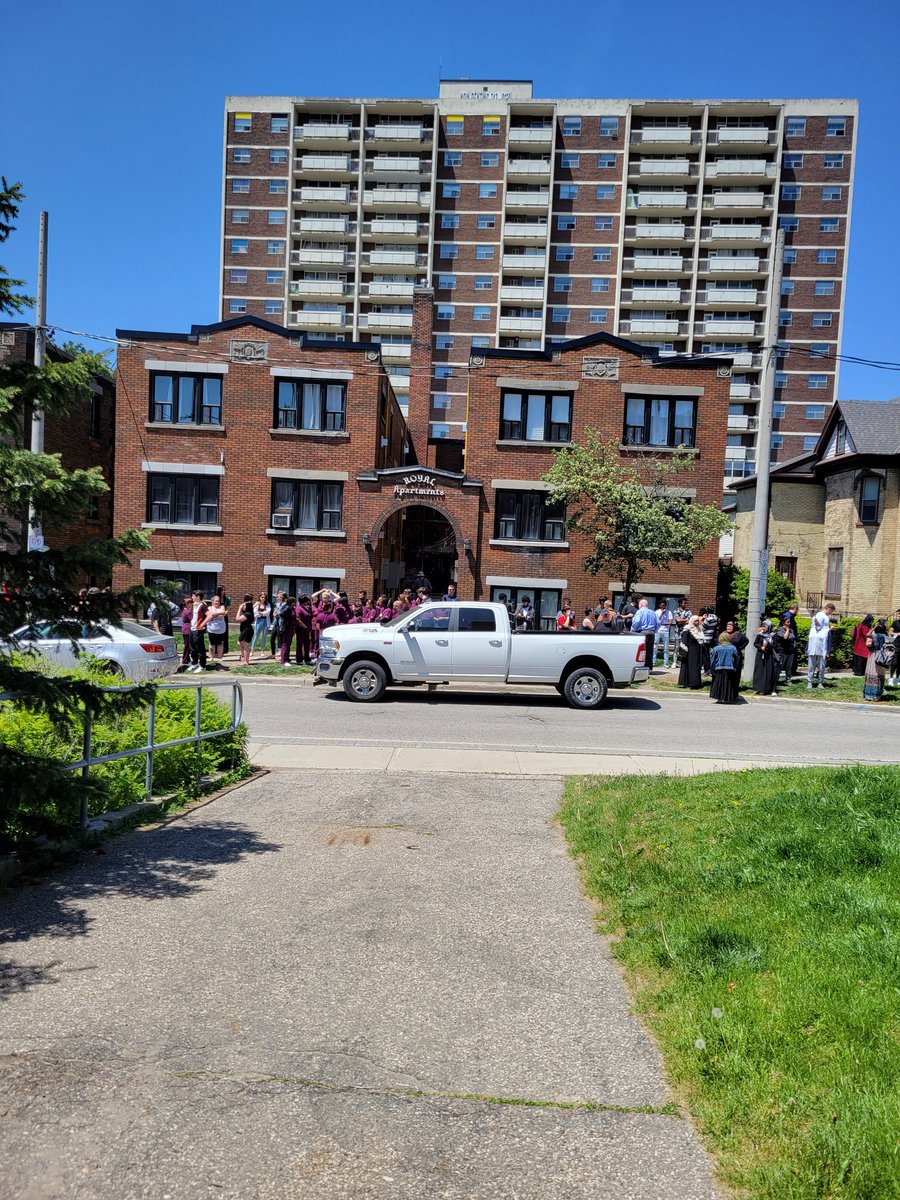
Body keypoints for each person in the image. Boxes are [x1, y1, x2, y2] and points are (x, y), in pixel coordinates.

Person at [806, 603, 835, 689]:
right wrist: (830, 629)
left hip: (822, 644)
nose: (831, 613)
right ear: (829, 609)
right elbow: (817, 627)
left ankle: (820, 682)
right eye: (831, 611)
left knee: (821, 665)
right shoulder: (819, 615)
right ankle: (810, 682)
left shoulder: (825, 617)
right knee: (811, 665)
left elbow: (821, 628)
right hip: (815, 643)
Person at [710, 632, 740, 704]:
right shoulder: (733, 648)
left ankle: (720, 698)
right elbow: (736, 658)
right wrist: (736, 666)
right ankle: (728, 698)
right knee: (728, 683)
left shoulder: (716, 648)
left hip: (719, 668)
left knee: (719, 683)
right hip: (730, 668)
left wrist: (712, 668)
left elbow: (713, 659)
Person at [677, 615, 705, 689]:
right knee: (690, 666)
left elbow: (701, 640)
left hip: (697, 651)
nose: (697, 622)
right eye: (695, 621)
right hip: (690, 652)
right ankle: (690, 683)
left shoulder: (699, 629)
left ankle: (695, 683)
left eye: (697, 621)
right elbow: (684, 641)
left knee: (696, 666)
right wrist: (684, 651)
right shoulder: (687, 629)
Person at [752, 618, 779, 696]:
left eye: (765, 626)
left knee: (768, 672)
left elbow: (775, 645)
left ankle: (768, 689)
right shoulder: (760, 635)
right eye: (763, 626)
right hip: (760, 655)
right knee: (759, 671)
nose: (763, 628)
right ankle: (759, 688)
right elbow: (755, 643)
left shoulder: (772, 636)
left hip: (769, 656)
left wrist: (767, 646)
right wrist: (761, 647)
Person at [863, 622, 889, 702]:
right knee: (880, 674)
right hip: (882, 656)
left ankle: (869, 694)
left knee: (872, 673)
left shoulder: (874, 636)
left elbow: (867, 634)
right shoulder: (886, 637)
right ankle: (877, 695)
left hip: (873, 655)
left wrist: (873, 628)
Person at [630, 597, 659, 666]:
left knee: (641, 651)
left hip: (643, 632)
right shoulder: (652, 612)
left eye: (639, 605)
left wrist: (632, 630)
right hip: (651, 633)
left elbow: (637, 621)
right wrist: (655, 630)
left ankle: (641, 666)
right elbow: (658, 623)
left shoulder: (639, 611)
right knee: (650, 651)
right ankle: (649, 667)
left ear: (641, 605)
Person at [187, 590, 209, 673]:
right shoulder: (194, 605)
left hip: (198, 630)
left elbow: (209, 615)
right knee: (192, 648)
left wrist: (202, 624)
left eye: (193, 596)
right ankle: (194, 663)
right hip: (192, 629)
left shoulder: (202, 606)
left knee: (200, 648)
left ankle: (202, 666)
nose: (192, 597)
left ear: (198, 596)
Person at [772, 615, 796, 686]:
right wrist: (787, 630)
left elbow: (792, 638)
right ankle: (776, 680)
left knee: (789, 666)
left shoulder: (792, 630)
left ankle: (788, 680)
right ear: (783, 623)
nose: (789, 623)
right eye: (788, 622)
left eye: (789, 622)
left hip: (790, 650)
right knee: (780, 666)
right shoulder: (779, 630)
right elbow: (785, 637)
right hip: (782, 651)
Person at [205, 593, 228, 662]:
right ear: (213, 601)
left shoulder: (222, 607)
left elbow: (223, 613)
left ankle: (220, 657)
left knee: (220, 644)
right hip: (211, 629)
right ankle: (211, 657)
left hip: (220, 629)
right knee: (212, 644)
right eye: (216, 601)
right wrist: (218, 614)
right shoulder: (209, 608)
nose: (217, 602)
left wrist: (215, 615)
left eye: (218, 601)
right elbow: (210, 616)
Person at [234, 594, 255, 666]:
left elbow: (237, 619)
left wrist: (239, 609)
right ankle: (245, 659)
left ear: (248, 607)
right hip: (245, 630)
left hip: (247, 630)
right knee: (242, 644)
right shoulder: (247, 612)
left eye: (244, 605)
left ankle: (245, 660)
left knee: (242, 644)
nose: (243, 606)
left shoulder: (248, 614)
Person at [294, 595, 314, 664]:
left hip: (307, 630)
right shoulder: (298, 609)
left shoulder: (306, 608)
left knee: (307, 644)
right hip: (301, 630)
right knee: (300, 644)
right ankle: (299, 659)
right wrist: (303, 626)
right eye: (307, 600)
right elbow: (297, 619)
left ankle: (307, 659)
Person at [278, 595, 297, 666]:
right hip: (287, 628)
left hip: (291, 629)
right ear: (290, 602)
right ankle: (284, 660)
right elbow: (281, 614)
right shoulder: (287, 608)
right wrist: (286, 621)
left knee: (289, 644)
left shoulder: (292, 609)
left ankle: (287, 658)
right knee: (285, 644)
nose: (295, 603)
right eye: (294, 602)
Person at [655, 601, 674, 669]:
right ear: (660, 605)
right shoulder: (657, 612)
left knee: (666, 648)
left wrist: (662, 622)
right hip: (658, 631)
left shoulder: (669, 612)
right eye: (662, 605)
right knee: (655, 647)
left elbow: (670, 622)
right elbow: (657, 621)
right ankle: (653, 662)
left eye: (665, 605)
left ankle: (665, 663)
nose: (664, 607)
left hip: (666, 632)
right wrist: (662, 614)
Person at [251, 593, 271, 658]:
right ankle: (252, 651)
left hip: (265, 621)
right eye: (262, 597)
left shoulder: (268, 605)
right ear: (259, 597)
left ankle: (262, 651)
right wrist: (262, 613)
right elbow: (254, 613)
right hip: (258, 621)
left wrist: (261, 613)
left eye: (264, 597)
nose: (263, 598)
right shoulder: (257, 604)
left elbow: (267, 613)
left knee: (264, 637)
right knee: (256, 636)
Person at [179, 598, 193, 668]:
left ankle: (187, 658)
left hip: (185, 629)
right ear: (187, 604)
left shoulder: (184, 611)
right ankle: (185, 659)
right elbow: (192, 619)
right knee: (188, 646)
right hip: (188, 630)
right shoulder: (188, 612)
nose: (192, 604)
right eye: (190, 603)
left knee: (187, 645)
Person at [889, 609, 900, 687]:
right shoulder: (895, 623)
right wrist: (898, 634)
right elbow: (890, 632)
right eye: (897, 614)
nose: (898, 616)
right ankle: (890, 678)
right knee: (894, 663)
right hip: (896, 645)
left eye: (899, 614)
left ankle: (897, 678)